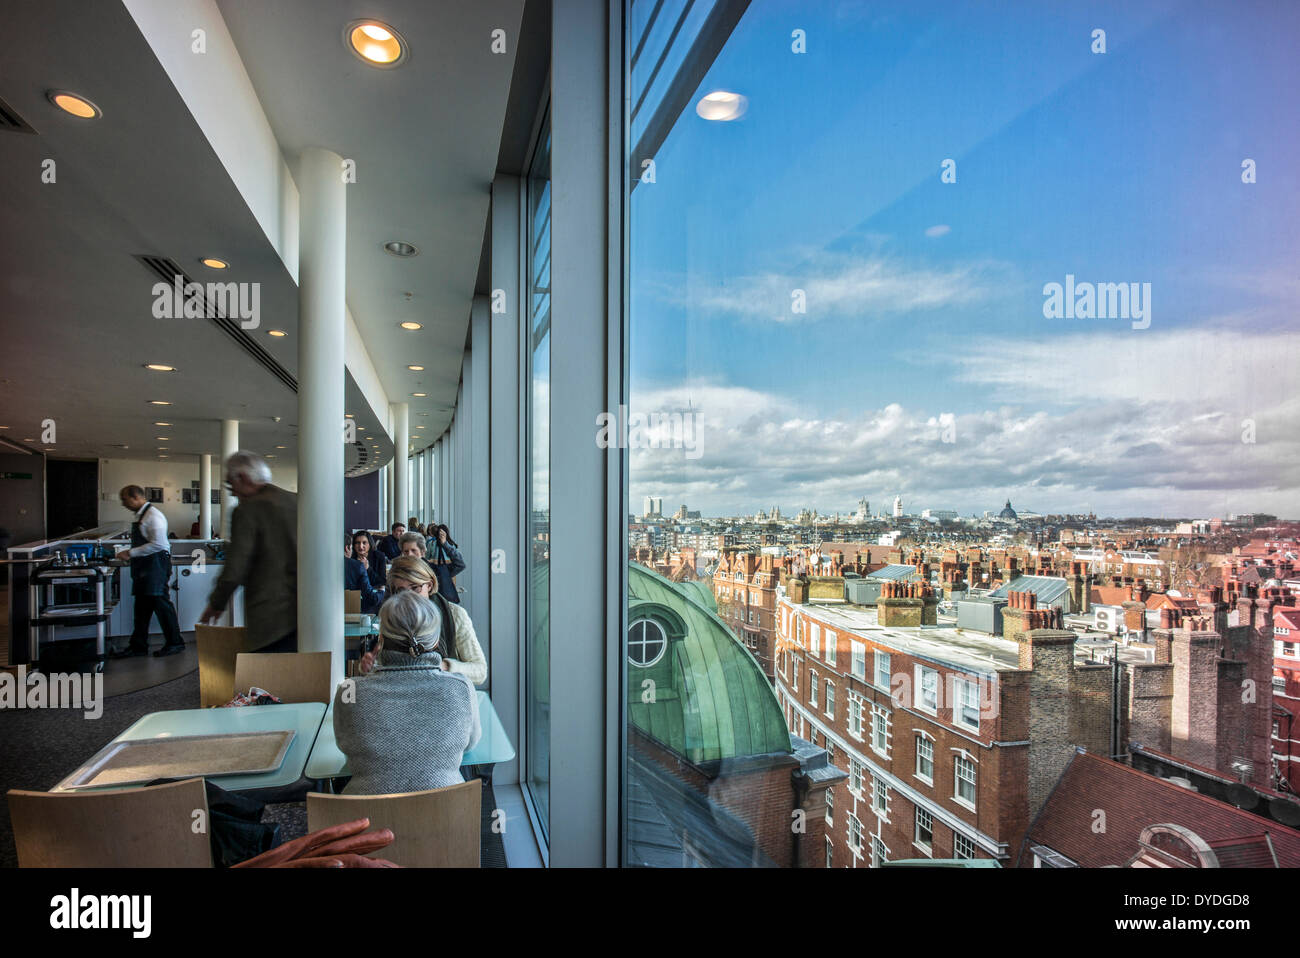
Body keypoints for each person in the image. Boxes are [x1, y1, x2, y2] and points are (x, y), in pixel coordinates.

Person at [333, 591, 480, 795]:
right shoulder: (461, 688)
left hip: (367, 820)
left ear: (381, 638)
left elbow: (344, 745)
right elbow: (470, 744)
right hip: (446, 814)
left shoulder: (349, 691)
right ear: (435, 641)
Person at [199, 451, 298, 652]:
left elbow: (235, 567)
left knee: (266, 679)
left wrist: (216, 603)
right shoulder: (296, 502)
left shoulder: (246, 511)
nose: (232, 493)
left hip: (269, 618)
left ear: (242, 478)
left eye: (230, 485)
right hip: (305, 613)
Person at [358, 556, 486, 684]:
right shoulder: (392, 619)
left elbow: (480, 671)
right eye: (402, 591)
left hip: (446, 693)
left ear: (429, 586)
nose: (410, 597)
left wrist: (444, 667)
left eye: (415, 588)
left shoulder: (455, 615)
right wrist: (370, 668)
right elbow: (382, 665)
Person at [111, 485, 185, 657]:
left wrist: (130, 553)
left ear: (136, 497)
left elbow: (158, 544)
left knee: (161, 604)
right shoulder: (143, 516)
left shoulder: (153, 516)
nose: (123, 503)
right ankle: (138, 645)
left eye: (125, 499)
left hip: (155, 566)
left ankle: (175, 642)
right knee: (142, 608)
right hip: (146, 567)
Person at [428, 523, 466, 604]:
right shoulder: (451, 544)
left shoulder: (431, 543)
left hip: (441, 570)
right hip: (445, 571)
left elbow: (460, 564)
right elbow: (460, 563)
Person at [344, 534, 380, 614]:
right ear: (347, 548)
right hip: (352, 610)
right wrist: (382, 592)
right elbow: (371, 598)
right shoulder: (358, 566)